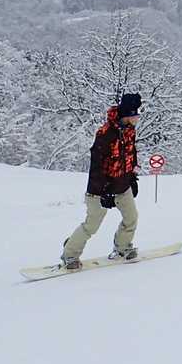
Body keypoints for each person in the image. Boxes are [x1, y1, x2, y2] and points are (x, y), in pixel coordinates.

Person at [61, 92, 142, 270]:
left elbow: (130, 154)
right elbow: (96, 166)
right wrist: (104, 190)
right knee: (92, 225)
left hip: (122, 185)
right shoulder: (105, 134)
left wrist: (132, 177)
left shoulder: (130, 131)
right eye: (135, 115)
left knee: (131, 218)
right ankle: (70, 254)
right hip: (99, 190)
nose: (137, 118)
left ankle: (122, 248)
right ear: (127, 115)